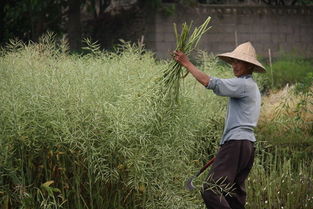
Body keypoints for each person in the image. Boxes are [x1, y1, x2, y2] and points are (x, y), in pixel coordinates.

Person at [173, 42, 266, 209]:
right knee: (233, 195)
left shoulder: (243, 85)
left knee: (211, 189)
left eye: (239, 62)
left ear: (249, 66)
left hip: (237, 144)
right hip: (245, 145)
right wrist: (228, 145)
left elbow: (211, 83)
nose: (235, 66)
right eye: (233, 62)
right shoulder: (251, 86)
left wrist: (187, 63)